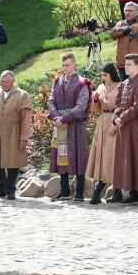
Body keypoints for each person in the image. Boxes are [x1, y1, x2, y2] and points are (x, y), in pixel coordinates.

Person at [110, 54, 138, 205]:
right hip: (124, 127)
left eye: (129, 64)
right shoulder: (124, 83)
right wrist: (115, 118)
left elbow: (137, 108)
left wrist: (121, 119)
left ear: (137, 66)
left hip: (136, 127)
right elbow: (118, 104)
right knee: (128, 158)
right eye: (125, 64)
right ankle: (135, 192)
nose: (126, 67)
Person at [0, 70, 32, 200]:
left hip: (13, 132)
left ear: (13, 81)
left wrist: (24, 138)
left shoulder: (22, 95)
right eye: (2, 81)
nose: (3, 84)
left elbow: (26, 119)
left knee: (12, 162)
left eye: (6, 82)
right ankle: (1, 188)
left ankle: (10, 189)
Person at [48, 53, 91, 202]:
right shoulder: (57, 81)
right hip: (60, 124)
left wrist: (65, 118)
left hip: (76, 125)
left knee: (78, 156)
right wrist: (56, 117)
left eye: (67, 65)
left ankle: (79, 191)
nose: (64, 68)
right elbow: (51, 101)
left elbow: (81, 105)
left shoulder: (82, 83)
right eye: (63, 65)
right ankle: (64, 190)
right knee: (62, 157)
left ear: (74, 64)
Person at [85, 63, 120, 204]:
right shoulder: (100, 87)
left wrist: (114, 125)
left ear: (112, 74)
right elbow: (96, 110)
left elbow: (121, 107)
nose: (103, 78)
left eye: (105, 75)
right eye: (102, 75)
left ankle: (98, 192)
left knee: (110, 156)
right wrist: (95, 99)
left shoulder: (120, 86)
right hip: (101, 123)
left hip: (113, 122)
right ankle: (117, 193)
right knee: (101, 156)